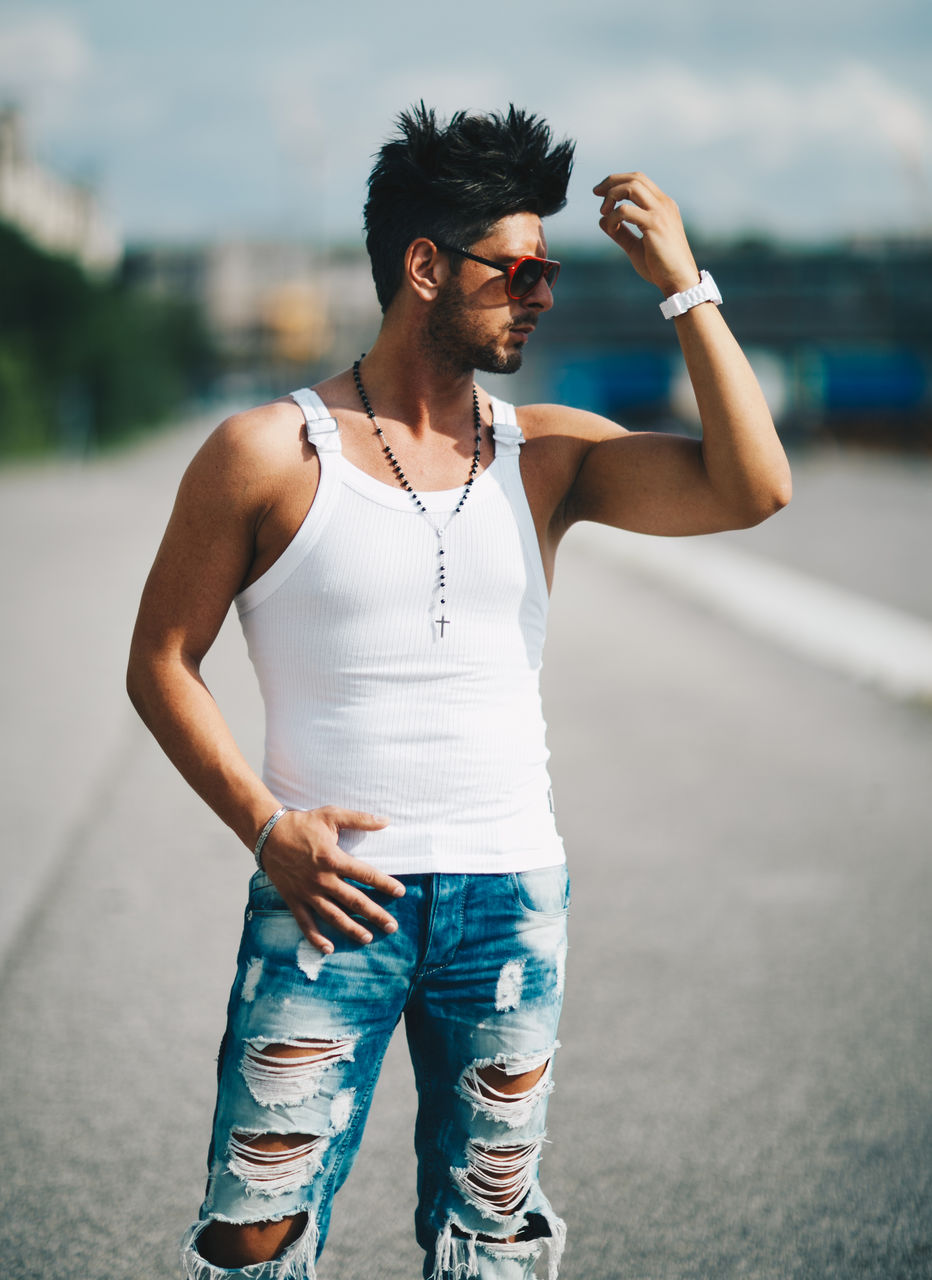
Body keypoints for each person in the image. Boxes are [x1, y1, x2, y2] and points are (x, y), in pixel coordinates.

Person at [127, 104, 791, 1280]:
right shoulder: (270, 453)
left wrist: (684, 285)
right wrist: (265, 827)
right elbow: (161, 661)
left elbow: (751, 486)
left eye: (547, 268)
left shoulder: (542, 455)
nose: (538, 293)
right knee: (254, 1233)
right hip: (329, 899)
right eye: (517, 268)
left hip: (509, 904)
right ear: (424, 267)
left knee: (492, 1239)